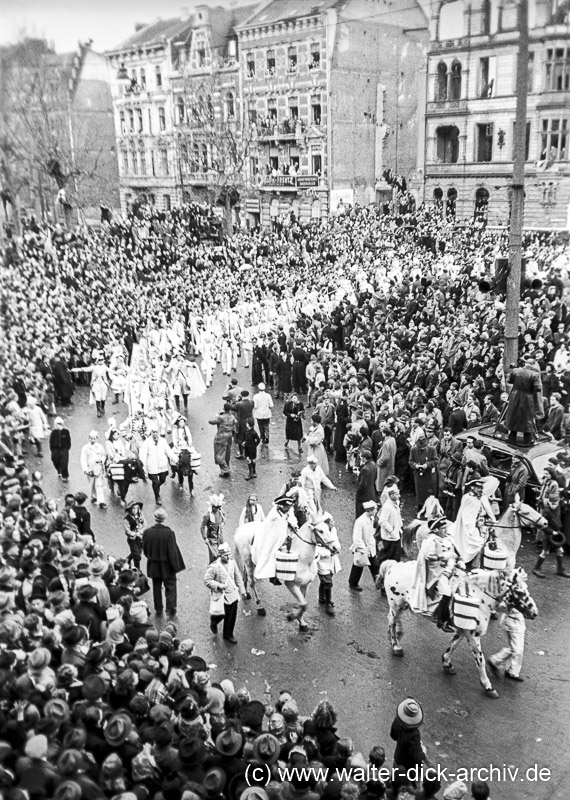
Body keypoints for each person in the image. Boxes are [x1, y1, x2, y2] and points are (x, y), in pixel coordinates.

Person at [410, 516, 457, 633]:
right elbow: (429, 555)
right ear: (436, 530)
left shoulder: (439, 539)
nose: (446, 531)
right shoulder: (432, 540)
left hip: (443, 568)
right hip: (436, 572)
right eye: (443, 529)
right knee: (447, 593)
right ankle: (442, 620)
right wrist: (444, 556)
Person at [142, 507, 186, 617]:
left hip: (153, 564)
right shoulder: (169, 533)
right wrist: (175, 566)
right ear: (164, 519)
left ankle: (158, 608)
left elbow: (145, 550)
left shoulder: (147, 532)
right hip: (166, 565)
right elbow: (172, 552)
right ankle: (170, 608)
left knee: (156, 586)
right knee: (170, 585)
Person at [204, 541, 246, 644]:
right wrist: (218, 586)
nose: (228, 557)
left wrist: (243, 591)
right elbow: (207, 580)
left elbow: (238, 577)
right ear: (220, 555)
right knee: (221, 614)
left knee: (231, 616)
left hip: (233, 595)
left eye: (228, 555)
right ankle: (214, 621)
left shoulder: (232, 563)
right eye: (225, 555)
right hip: (221, 597)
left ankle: (228, 634)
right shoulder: (214, 566)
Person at [453, 477, 496, 569]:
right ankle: (465, 560)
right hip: (467, 525)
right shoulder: (466, 498)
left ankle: (476, 563)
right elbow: (464, 514)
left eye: (481, 488)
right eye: (478, 488)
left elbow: (488, 510)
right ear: (472, 488)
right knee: (477, 541)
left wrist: (493, 520)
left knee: (485, 537)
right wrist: (473, 524)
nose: (480, 490)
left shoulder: (482, 497)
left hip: (479, 522)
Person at [504, 355, 544, 445]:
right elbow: (538, 388)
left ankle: (512, 437)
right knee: (526, 418)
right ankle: (528, 439)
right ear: (533, 365)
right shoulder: (535, 374)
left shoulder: (516, 371)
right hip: (527, 397)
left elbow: (509, 381)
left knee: (514, 415)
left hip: (515, 395)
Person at [390, 698, 426, 785]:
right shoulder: (414, 734)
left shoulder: (397, 721)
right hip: (409, 768)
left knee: (395, 782)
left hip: (398, 759)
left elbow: (393, 735)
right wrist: (423, 752)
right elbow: (417, 758)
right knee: (411, 787)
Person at [487, 601, 527, 682]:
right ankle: (509, 670)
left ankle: (509, 669)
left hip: (515, 620)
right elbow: (499, 606)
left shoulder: (517, 591)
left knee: (515, 648)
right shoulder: (511, 592)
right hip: (513, 621)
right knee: (517, 649)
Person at [139, 429, 177, 505]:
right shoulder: (147, 442)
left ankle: (156, 487)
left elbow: (168, 451)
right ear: (151, 433)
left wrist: (175, 459)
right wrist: (142, 466)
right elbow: (143, 455)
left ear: (158, 433)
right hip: (152, 466)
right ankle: (157, 497)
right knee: (155, 482)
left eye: (156, 432)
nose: (155, 434)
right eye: (153, 432)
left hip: (162, 465)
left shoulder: (163, 441)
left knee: (162, 479)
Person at [348, 501, 379, 591]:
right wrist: (363, 549)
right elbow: (357, 538)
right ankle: (353, 583)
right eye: (375, 510)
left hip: (370, 548)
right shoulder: (360, 521)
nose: (376, 511)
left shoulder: (372, 518)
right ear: (369, 511)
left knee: (374, 566)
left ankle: (379, 584)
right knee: (359, 566)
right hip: (363, 549)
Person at [316, 512, 341, 616]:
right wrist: (329, 552)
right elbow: (317, 551)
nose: (333, 523)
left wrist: (337, 548)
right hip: (323, 562)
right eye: (331, 521)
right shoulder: (319, 535)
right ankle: (328, 604)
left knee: (326, 580)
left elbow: (336, 541)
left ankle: (322, 597)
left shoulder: (333, 530)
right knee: (328, 582)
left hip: (332, 560)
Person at [376, 485, 403, 570]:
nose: (399, 496)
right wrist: (391, 530)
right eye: (397, 494)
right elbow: (382, 521)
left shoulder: (396, 503)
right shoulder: (387, 507)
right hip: (388, 538)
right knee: (384, 557)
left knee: (396, 558)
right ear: (391, 495)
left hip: (396, 536)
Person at [80, 430, 108, 509]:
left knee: (99, 484)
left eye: (94, 438)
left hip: (98, 468)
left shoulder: (100, 447)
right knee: (92, 484)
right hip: (90, 469)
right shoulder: (85, 448)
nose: (92, 440)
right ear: (89, 438)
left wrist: (101, 460)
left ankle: (101, 501)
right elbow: (83, 459)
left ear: (97, 438)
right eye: (91, 438)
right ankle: (93, 496)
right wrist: (85, 469)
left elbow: (103, 455)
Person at [209, 403, 238, 477]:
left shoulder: (221, 417)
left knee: (219, 453)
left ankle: (225, 469)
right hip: (229, 435)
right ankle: (227, 465)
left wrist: (217, 414)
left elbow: (211, 421)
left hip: (221, 436)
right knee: (227, 451)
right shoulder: (232, 416)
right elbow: (235, 423)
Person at [201, 494, 226, 563]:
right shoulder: (207, 515)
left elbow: (224, 517)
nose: (216, 509)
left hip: (220, 537)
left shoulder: (220, 511)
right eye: (215, 507)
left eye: (218, 507)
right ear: (212, 506)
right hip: (212, 538)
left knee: (222, 554)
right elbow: (202, 527)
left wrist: (223, 523)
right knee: (214, 557)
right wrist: (205, 538)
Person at [355, 449, 378, 518]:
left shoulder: (365, 469)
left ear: (364, 458)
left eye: (361, 457)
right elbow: (375, 477)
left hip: (363, 496)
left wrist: (357, 493)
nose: (360, 458)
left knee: (361, 514)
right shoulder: (373, 464)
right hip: (371, 492)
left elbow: (362, 485)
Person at [124, 500, 145, 570]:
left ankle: (128, 559)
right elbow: (127, 531)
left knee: (138, 551)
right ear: (130, 509)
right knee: (137, 556)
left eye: (136, 508)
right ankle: (137, 569)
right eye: (133, 508)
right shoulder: (127, 519)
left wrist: (141, 530)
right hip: (132, 539)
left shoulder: (140, 515)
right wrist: (136, 534)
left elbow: (144, 524)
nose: (135, 510)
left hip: (140, 538)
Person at [49, 416, 71, 481]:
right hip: (55, 449)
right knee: (55, 460)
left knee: (64, 463)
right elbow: (51, 441)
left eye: (56, 424)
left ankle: (65, 476)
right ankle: (59, 469)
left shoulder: (66, 432)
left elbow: (68, 440)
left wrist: (67, 448)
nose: (55, 426)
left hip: (64, 449)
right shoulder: (53, 432)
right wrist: (52, 449)